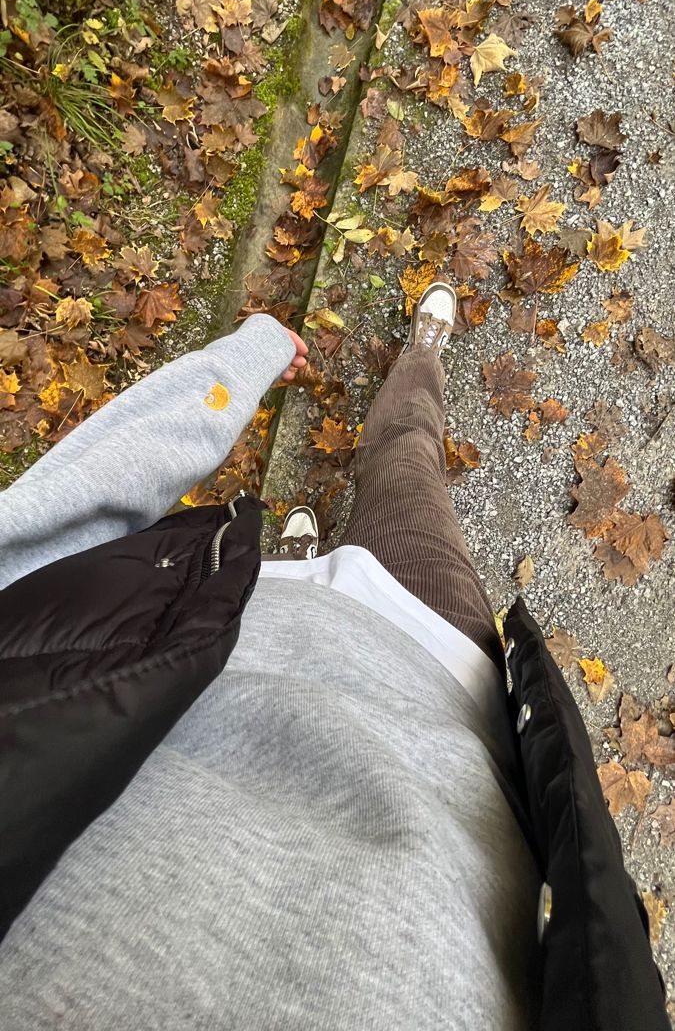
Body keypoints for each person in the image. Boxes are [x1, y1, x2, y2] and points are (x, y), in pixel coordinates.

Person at [0, 281, 668, 1031]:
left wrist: (247, 356)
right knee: (407, 459)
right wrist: (248, 353)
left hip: (241, 615)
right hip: (429, 662)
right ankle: (419, 359)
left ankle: (298, 548)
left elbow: (39, 530)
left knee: (402, 464)